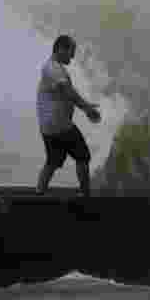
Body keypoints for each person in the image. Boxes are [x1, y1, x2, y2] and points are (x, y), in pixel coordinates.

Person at [36, 34, 102, 196]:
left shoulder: (53, 68)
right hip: (60, 125)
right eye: (71, 51)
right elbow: (69, 92)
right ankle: (86, 195)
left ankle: (39, 193)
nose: (73, 55)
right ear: (60, 49)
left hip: (48, 126)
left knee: (54, 161)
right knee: (83, 155)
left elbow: (67, 94)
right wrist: (87, 109)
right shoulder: (53, 69)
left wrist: (86, 105)